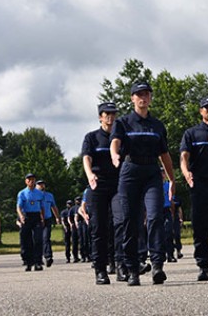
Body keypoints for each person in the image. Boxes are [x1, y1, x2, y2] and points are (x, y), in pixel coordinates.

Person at [111, 81, 175, 286]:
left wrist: (172, 180)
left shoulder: (157, 125)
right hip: (130, 172)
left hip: (151, 174)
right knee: (130, 221)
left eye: (146, 94)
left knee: (156, 216)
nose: (143, 97)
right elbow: (115, 142)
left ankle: (157, 265)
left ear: (150, 98)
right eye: (139, 94)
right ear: (132, 98)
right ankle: (132, 269)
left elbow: (164, 154)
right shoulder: (123, 122)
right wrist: (114, 154)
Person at [83, 101, 127, 284]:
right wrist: (90, 174)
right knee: (99, 228)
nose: (110, 117)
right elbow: (86, 158)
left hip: (118, 185)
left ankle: (121, 266)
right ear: (100, 117)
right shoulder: (92, 137)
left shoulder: (121, 137)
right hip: (98, 185)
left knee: (121, 222)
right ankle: (100, 270)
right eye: (106, 113)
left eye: (113, 113)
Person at [180, 96, 208, 281]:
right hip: (200, 184)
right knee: (201, 226)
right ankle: (203, 266)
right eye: (207, 108)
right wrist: (186, 172)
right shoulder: (192, 133)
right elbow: (184, 156)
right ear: (201, 111)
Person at [17, 173, 46, 271]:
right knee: (26, 240)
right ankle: (28, 262)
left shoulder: (39, 193)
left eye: (33, 179)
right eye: (29, 179)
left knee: (38, 239)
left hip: (36, 217)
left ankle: (38, 262)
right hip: (27, 217)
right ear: (26, 181)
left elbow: (42, 207)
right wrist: (21, 216)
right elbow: (19, 206)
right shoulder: (22, 193)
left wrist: (42, 217)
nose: (31, 181)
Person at [36, 180, 61, 267]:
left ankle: (48, 256)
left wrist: (57, 217)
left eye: (42, 184)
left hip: (47, 219)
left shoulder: (49, 196)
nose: (41, 186)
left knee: (46, 238)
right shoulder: (34, 196)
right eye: (39, 184)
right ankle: (37, 258)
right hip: (36, 220)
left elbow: (53, 207)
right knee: (37, 239)